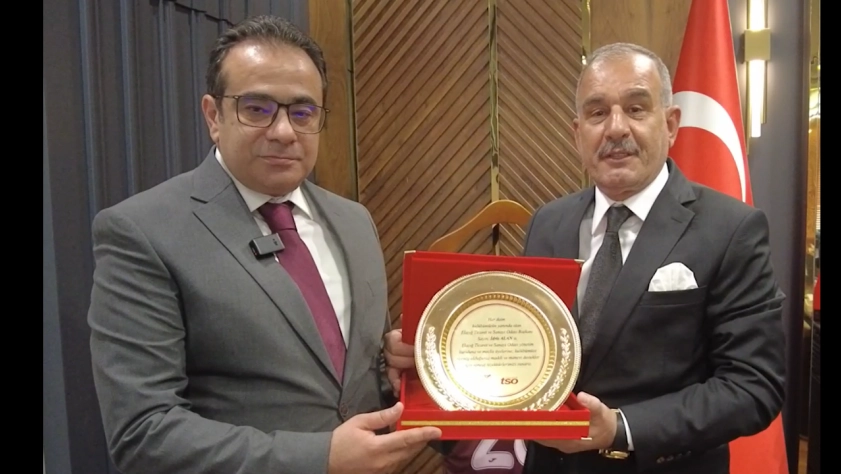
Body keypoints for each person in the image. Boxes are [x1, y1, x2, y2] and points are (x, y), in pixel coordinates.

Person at [384, 42, 785, 474]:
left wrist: (621, 428)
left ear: (670, 125)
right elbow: (526, 350)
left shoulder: (731, 229)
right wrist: (435, 358)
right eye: (597, 113)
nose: (615, 128)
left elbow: (753, 386)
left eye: (636, 109)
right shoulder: (549, 222)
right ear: (577, 133)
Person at [87, 15, 440, 474]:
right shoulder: (142, 231)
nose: (284, 131)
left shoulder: (354, 221)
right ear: (214, 116)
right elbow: (142, 432)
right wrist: (319, 458)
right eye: (257, 109)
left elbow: (349, 377)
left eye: (303, 112)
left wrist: (392, 366)